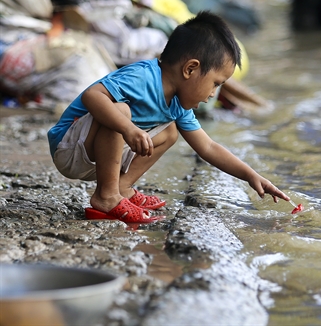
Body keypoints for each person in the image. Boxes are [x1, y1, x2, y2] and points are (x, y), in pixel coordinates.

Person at [47, 11, 290, 223]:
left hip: (96, 155)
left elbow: (208, 146)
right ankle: (106, 196)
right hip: (69, 146)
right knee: (119, 111)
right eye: (215, 84)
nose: (213, 95)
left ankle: (121, 187)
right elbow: (93, 95)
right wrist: (129, 129)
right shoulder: (142, 77)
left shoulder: (177, 105)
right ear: (190, 69)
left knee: (169, 132)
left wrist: (251, 176)